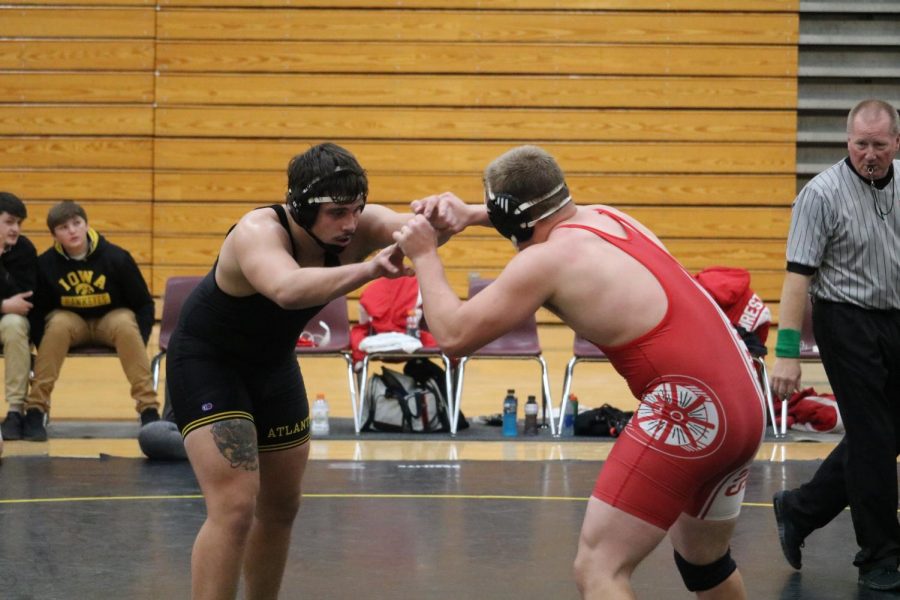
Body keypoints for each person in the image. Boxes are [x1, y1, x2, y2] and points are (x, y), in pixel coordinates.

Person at [395, 145, 766, 599]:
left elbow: (453, 336)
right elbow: (539, 217)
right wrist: (471, 214)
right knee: (704, 563)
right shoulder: (607, 217)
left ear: (512, 221)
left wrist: (425, 254)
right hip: (746, 402)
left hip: (693, 408)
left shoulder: (545, 262)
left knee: (599, 568)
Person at [165, 142, 476, 599]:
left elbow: (417, 234)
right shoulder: (257, 231)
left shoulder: (358, 227)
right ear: (300, 207)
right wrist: (370, 268)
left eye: (357, 209)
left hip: (272, 364)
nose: (350, 224)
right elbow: (288, 289)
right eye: (336, 213)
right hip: (210, 362)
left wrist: (450, 213)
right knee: (233, 507)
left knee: (281, 507)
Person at [769, 99, 900, 591]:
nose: (870, 154)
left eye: (879, 146)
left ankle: (801, 510)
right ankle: (880, 557)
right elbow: (796, 278)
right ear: (848, 142)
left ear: (896, 144)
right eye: (861, 144)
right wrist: (786, 353)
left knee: (888, 434)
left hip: (895, 317)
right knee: (872, 441)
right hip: (844, 320)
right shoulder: (820, 195)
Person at [21, 200, 159, 441]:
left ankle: (148, 409)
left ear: (87, 225)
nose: (72, 231)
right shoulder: (45, 264)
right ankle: (36, 409)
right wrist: (45, 347)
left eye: (77, 223)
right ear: (54, 235)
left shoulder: (117, 258)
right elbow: (37, 310)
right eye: (64, 227)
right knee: (57, 324)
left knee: (126, 322)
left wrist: (140, 338)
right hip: (70, 323)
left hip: (110, 320)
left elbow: (144, 304)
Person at [0, 192, 38, 441]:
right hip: (3, 311)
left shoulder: (24, 249)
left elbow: (24, 299)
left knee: (15, 324)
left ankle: (15, 410)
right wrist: (3, 305)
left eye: (19, 223)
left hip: (9, 322)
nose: (16, 229)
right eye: (10, 222)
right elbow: (10, 301)